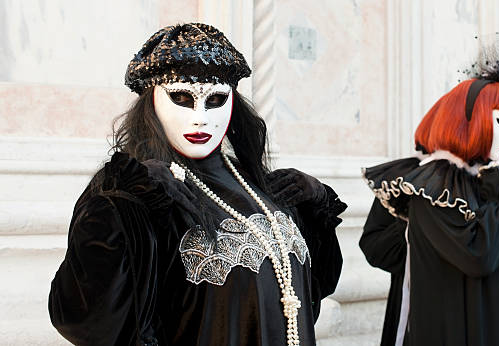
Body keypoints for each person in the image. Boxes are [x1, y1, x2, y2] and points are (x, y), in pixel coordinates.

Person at [48, 23, 346, 346]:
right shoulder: (145, 197)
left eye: (216, 99)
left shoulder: (263, 189)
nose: (200, 117)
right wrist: (123, 201)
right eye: (181, 97)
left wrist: (317, 203)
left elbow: (308, 292)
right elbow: (86, 315)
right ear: (152, 101)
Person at [359, 40, 499, 346]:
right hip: (447, 321)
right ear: (468, 122)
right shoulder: (434, 185)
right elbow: (478, 255)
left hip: (496, 321)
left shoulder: (495, 183)